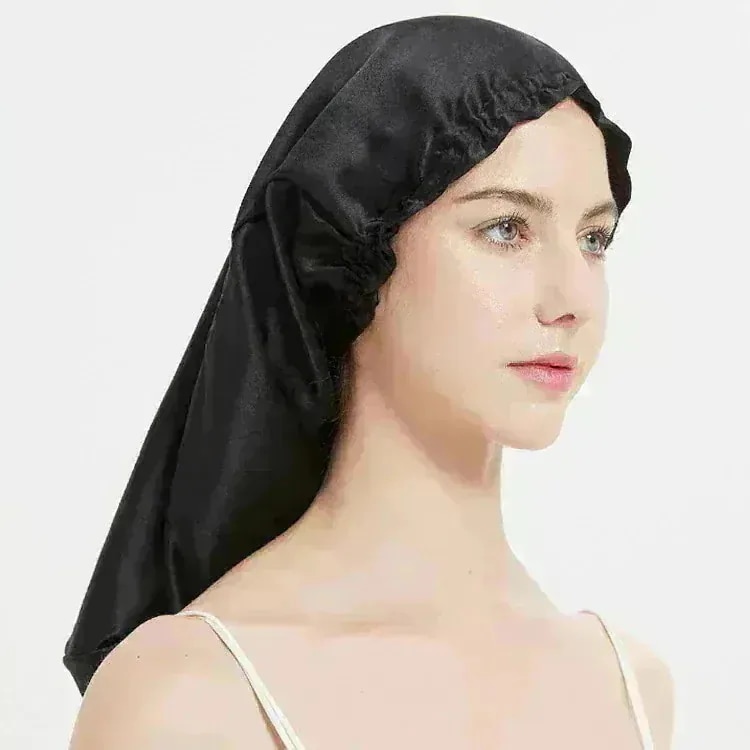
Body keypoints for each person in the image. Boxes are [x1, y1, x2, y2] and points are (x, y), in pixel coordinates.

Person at [66, 14, 674, 750]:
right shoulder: (190, 696)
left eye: (593, 239)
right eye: (506, 228)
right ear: (353, 245)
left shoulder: (628, 685)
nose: (571, 298)